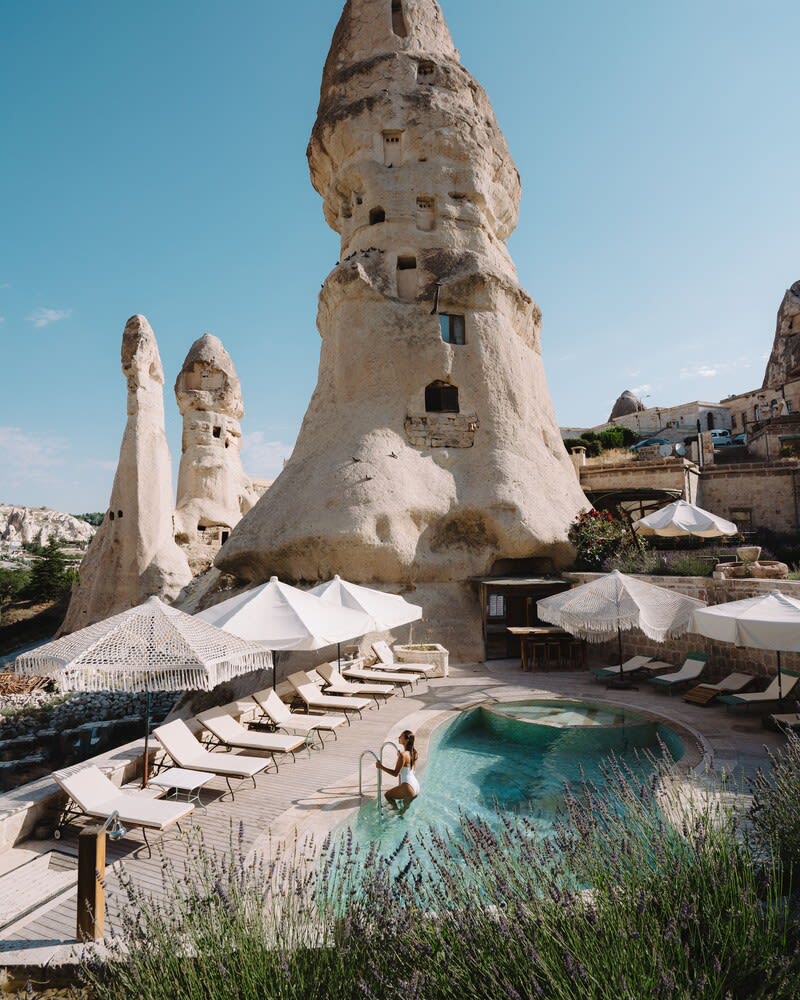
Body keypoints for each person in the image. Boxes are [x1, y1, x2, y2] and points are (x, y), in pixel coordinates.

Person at [376, 729, 419, 810]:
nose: (399, 737)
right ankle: (397, 813)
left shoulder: (403, 755)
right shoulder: (414, 753)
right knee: (401, 813)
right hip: (416, 787)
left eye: (401, 736)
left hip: (408, 786)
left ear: (406, 740)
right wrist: (400, 757)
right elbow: (408, 767)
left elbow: (395, 773)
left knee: (388, 795)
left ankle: (394, 809)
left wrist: (381, 766)